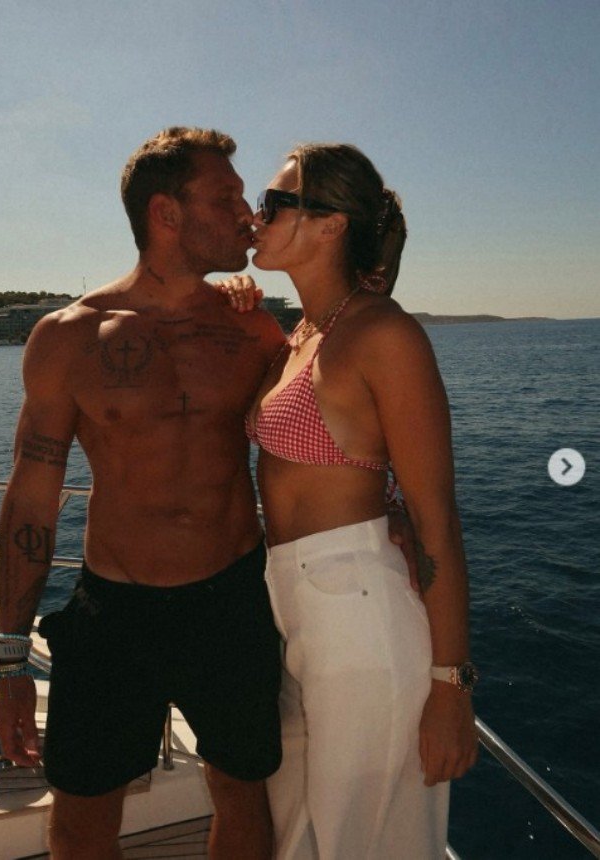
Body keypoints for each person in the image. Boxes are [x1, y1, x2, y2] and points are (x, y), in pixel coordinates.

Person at [0, 127, 288, 859]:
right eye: (227, 196)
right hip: (115, 614)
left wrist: (391, 510)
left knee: (243, 792)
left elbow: (330, 426)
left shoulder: (254, 329)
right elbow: (32, 498)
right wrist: (10, 657)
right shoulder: (69, 337)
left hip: (233, 600)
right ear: (167, 212)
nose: (248, 213)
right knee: (81, 819)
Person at [241, 144, 479, 858]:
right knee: (298, 836)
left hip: (361, 619)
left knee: (366, 841)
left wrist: (451, 687)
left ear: (330, 225)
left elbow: (436, 520)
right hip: (293, 608)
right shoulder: (302, 334)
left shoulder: (385, 335)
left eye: (275, 202)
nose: (257, 216)